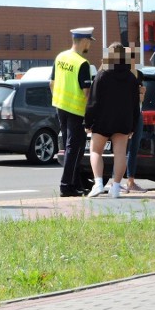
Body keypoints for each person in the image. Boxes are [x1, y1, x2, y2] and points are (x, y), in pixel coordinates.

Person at [84, 43, 141, 198]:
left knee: (96, 151)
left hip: (103, 119)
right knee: (120, 153)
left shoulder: (102, 75)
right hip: (123, 120)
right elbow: (136, 103)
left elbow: (93, 101)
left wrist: (87, 122)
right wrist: (134, 124)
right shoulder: (131, 77)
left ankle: (98, 184)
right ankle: (115, 187)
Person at [50, 27, 95, 197]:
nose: (89, 45)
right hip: (76, 110)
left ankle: (75, 183)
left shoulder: (60, 57)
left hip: (60, 107)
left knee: (71, 147)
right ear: (84, 41)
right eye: (89, 41)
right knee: (74, 148)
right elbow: (87, 93)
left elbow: (51, 83)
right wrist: (90, 113)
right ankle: (66, 185)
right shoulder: (82, 63)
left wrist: (59, 100)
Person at [121, 56, 147, 194]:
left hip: (137, 114)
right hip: (123, 115)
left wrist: (142, 92)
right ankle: (117, 182)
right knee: (120, 149)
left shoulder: (139, 74)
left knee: (134, 148)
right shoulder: (120, 74)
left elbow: (141, 95)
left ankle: (130, 180)